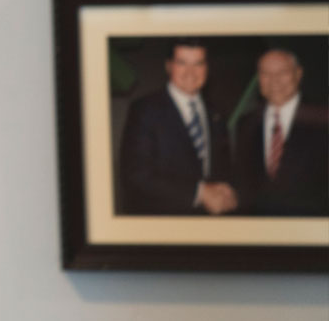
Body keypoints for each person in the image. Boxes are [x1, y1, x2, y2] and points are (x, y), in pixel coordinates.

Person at [119, 41, 237, 215]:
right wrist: (200, 193)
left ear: (207, 68)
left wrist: (228, 192)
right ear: (168, 66)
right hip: (164, 224)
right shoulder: (144, 109)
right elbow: (136, 176)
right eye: (182, 62)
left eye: (198, 63)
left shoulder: (217, 112)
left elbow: (223, 169)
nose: (191, 72)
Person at [233, 49, 329, 216]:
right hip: (257, 231)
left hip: (311, 230)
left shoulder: (322, 121)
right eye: (266, 74)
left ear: (298, 74)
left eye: (282, 72)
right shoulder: (246, 124)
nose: (274, 81)